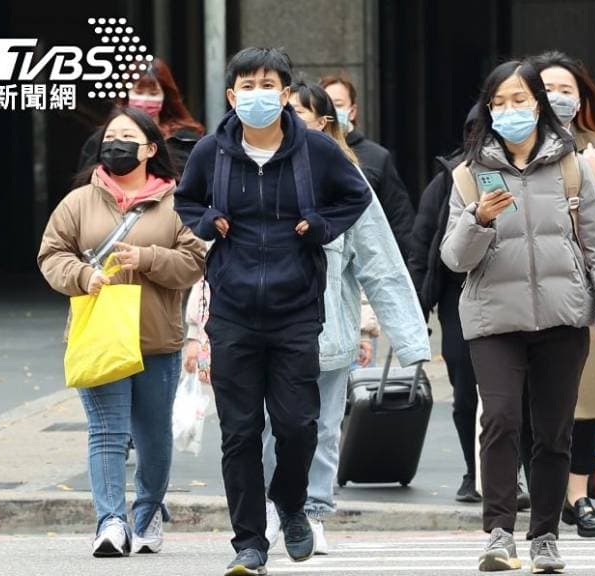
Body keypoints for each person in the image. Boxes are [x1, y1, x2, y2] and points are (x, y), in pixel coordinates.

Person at [173, 48, 371, 576]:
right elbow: (185, 200)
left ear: (285, 94)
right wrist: (207, 219)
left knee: (297, 425)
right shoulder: (212, 151)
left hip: (296, 311)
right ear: (232, 96)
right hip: (234, 310)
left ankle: (290, 502)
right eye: (247, 86)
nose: (258, 95)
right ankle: (250, 543)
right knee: (239, 432)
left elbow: (355, 197)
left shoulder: (315, 151)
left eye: (269, 85)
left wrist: (321, 226)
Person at [441, 60, 595, 573]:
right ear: (488, 110)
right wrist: (477, 219)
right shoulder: (468, 175)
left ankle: (545, 535)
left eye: (520, 100)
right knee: (502, 419)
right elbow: (454, 259)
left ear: (539, 107)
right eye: (499, 102)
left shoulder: (570, 167)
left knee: (554, 432)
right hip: (493, 322)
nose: (510, 111)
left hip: (562, 319)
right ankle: (499, 532)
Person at [261, 80, 432, 555]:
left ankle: (313, 510)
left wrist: (409, 339)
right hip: (266, 332)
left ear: (324, 123)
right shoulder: (253, 173)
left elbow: (380, 264)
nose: (290, 119)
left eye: (300, 111)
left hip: (328, 333)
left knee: (321, 428)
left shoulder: (346, 182)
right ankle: (276, 507)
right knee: (270, 426)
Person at [37, 107, 206, 557]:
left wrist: (147, 258)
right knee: (107, 432)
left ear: (151, 149)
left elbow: (195, 263)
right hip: (98, 336)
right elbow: (51, 255)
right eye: (110, 137)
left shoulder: (178, 202)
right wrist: (80, 276)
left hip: (156, 340)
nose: (116, 144)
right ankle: (110, 521)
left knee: (153, 438)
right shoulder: (79, 201)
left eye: (127, 137)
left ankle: (147, 512)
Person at [528, 50, 595, 538]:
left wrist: (593, 177)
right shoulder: (511, 144)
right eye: (547, 89)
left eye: (568, 89)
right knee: (534, 399)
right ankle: (542, 494)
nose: (558, 98)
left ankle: (578, 495)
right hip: (528, 288)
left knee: (588, 399)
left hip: (584, 289)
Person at [408, 105, 483, 504]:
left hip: (514, 295)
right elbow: (423, 247)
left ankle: (517, 472)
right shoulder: (449, 179)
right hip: (458, 297)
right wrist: (417, 310)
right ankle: (474, 470)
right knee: (466, 389)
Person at [321, 73, 416, 257]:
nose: (332, 111)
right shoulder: (307, 152)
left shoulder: (377, 157)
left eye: (338, 105)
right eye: (327, 105)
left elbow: (400, 221)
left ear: (352, 111)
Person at [78, 58, 205, 176]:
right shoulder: (102, 140)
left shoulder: (185, 141)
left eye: (153, 93)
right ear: (126, 95)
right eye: (138, 92)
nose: (144, 100)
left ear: (165, 97)